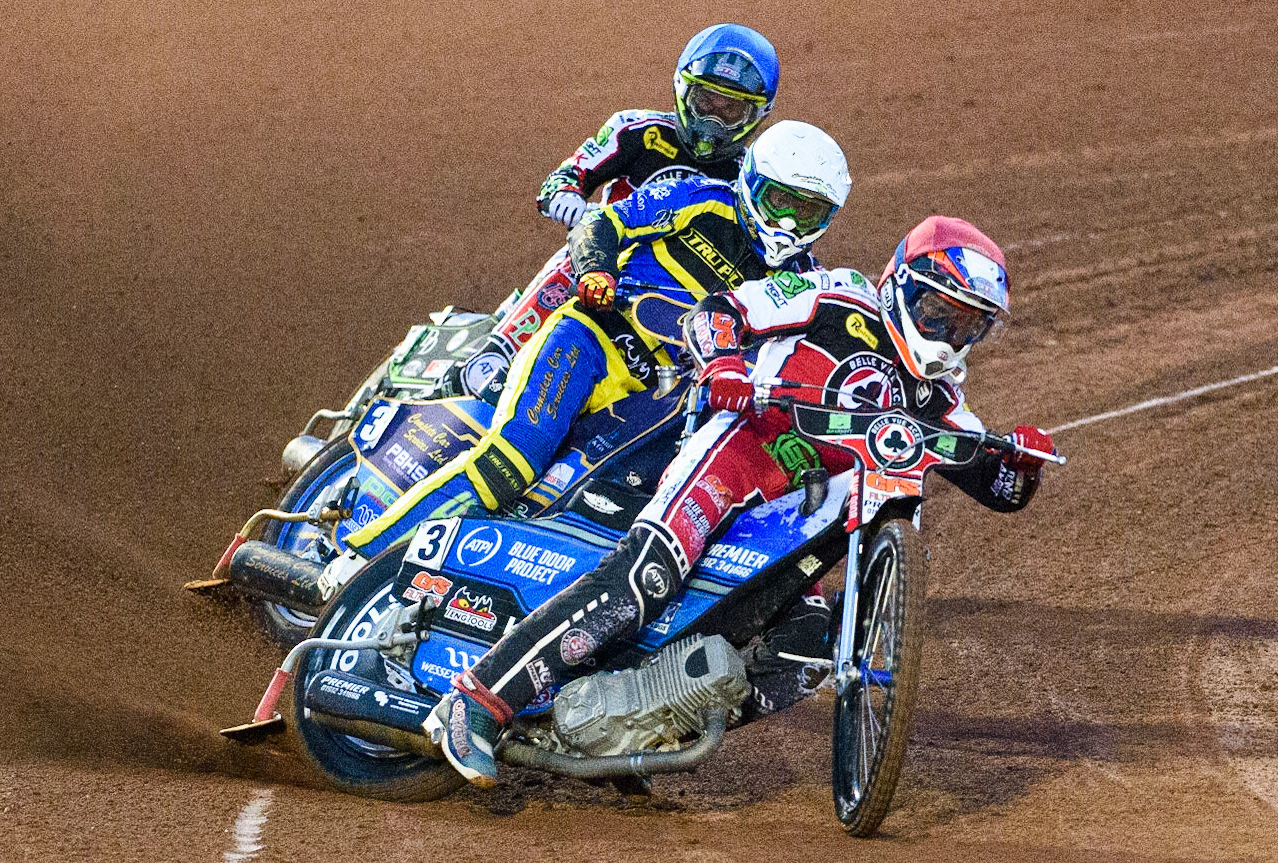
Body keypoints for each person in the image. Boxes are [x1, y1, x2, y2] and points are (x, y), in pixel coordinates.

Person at [422, 215, 1057, 786]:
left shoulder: (942, 398)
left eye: (967, 325)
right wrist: (726, 362)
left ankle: (630, 730)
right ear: (901, 284)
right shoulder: (836, 295)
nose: (948, 335)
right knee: (644, 579)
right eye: (938, 312)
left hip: (793, 523)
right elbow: (717, 312)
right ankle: (476, 704)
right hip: (738, 452)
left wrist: (1020, 465)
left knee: (808, 650)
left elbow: (996, 488)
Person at [328, 119, 850, 590]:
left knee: (612, 508)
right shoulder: (700, 195)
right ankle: (358, 560)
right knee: (511, 461)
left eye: (809, 211)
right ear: (754, 182)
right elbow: (599, 224)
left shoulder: (803, 281)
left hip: (663, 400)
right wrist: (597, 268)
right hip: (592, 341)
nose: (790, 221)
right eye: (781, 200)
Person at [441, 23, 781, 399]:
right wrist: (567, 198)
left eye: (729, 109)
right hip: (603, 265)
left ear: (754, 116)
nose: (711, 120)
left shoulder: (750, 178)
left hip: (672, 299)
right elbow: (569, 174)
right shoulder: (637, 130)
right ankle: (492, 359)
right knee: (573, 256)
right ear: (684, 91)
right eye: (706, 103)